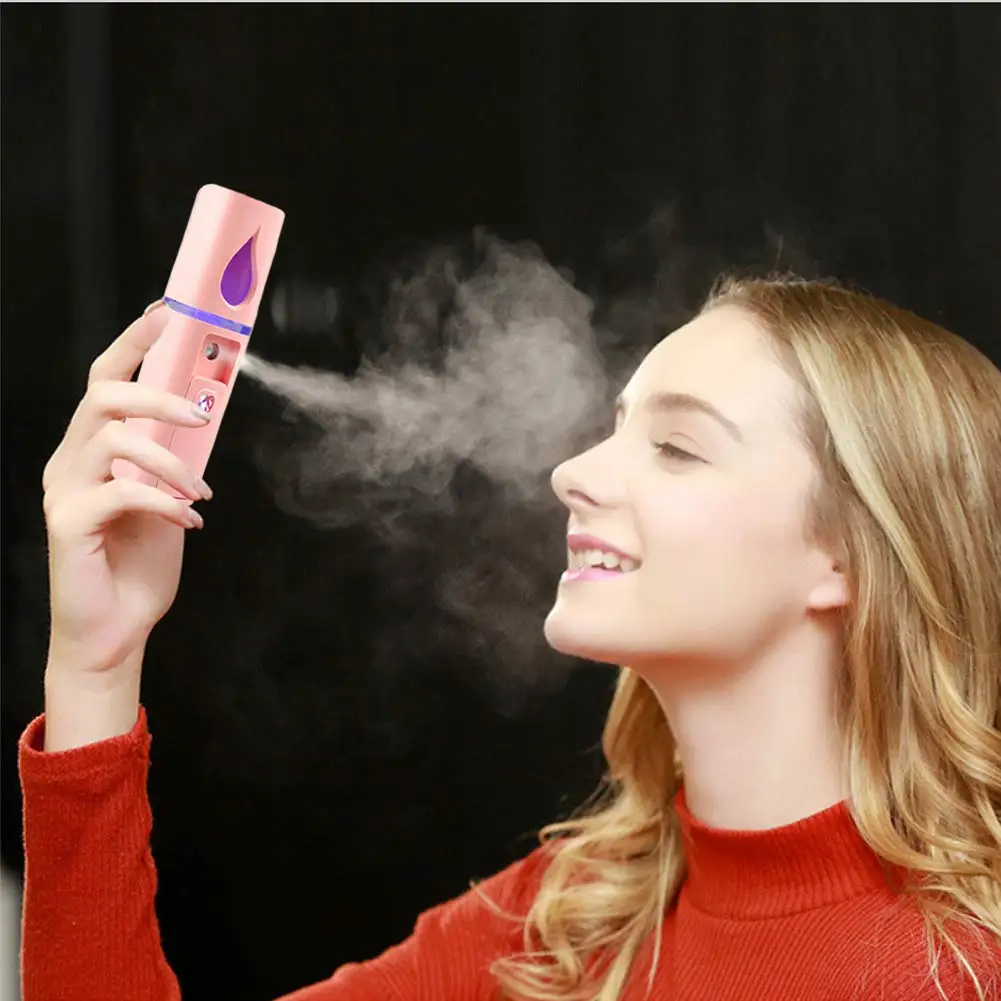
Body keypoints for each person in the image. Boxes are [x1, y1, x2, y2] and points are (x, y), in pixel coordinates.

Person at [19, 276, 1001, 1001]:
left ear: (846, 556)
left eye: (675, 446)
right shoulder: (565, 923)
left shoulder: (963, 968)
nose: (573, 472)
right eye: (615, 428)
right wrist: (96, 667)